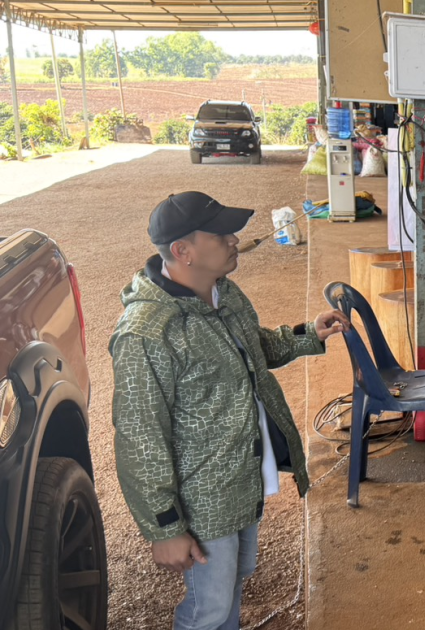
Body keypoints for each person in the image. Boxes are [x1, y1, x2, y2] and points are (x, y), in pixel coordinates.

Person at [110, 191, 350, 630]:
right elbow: (140, 437)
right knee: (210, 609)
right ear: (182, 250)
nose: (234, 239)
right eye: (220, 234)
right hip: (202, 499)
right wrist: (164, 528)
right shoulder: (146, 334)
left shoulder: (223, 292)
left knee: (233, 584)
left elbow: (252, 348)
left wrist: (306, 334)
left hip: (240, 480)